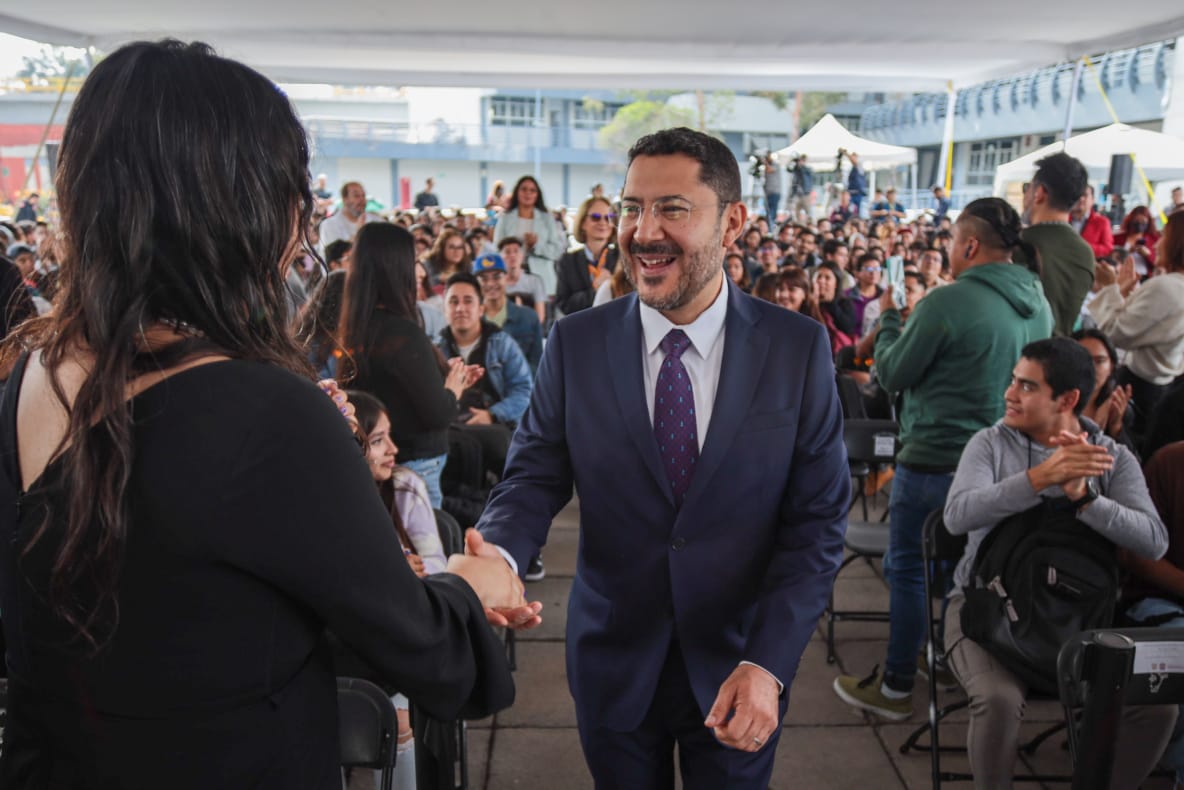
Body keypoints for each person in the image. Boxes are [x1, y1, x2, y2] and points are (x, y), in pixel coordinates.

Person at [0, 40, 533, 790]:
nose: (301, 226)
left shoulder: (31, 375)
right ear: (232, 207)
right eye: (291, 190)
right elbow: (428, 653)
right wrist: (473, 585)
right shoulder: (262, 413)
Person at [471, 127, 849, 788]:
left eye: (672, 208)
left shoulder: (796, 350)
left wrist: (769, 664)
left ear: (733, 223)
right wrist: (499, 556)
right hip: (613, 663)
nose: (643, 231)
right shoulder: (575, 344)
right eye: (631, 207)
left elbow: (818, 523)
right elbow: (533, 474)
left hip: (742, 668)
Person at [834, 197, 1054, 719]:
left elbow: (889, 374)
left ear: (970, 244)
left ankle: (895, 685)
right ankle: (944, 654)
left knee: (908, 567)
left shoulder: (948, 303)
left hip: (936, 459)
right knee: (969, 569)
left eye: (953, 242)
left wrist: (889, 319)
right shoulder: (1038, 303)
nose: (949, 251)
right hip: (1006, 463)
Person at [942, 338, 1174, 789]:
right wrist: (1038, 478)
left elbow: (1153, 542)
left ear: (1066, 399)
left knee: (1157, 703)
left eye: (1027, 386)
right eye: (1013, 381)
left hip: (1078, 618)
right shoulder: (989, 444)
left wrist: (1087, 499)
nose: (1010, 394)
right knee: (997, 699)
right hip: (989, 611)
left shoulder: (1110, 457)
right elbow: (956, 517)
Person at [339, 222, 481, 509]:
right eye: (413, 261)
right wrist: (453, 386)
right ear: (395, 268)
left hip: (386, 458)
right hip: (417, 462)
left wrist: (449, 378)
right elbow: (439, 413)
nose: (419, 271)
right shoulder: (402, 333)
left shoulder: (357, 326)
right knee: (426, 548)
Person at [1089, 210, 1184, 437]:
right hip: (1162, 390)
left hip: (1138, 389)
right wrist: (1120, 292)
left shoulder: (1166, 287)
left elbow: (1114, 333)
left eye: (1164, 237)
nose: (1157, 244)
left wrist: (1110, 287)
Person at [436, 272, 533, 486]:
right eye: (453, 302)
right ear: (445, 310)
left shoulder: (502, 344)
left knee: (499, 444)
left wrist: (492, 415)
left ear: (481, 309)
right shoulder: (435, 349)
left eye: (468, 301)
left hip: (496, 426)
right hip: (451, 427)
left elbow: (524, 391)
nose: (460, 308)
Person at [1018, 152, 1093, 336]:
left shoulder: (1020, 244)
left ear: (1040, 192)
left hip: (1021, 357)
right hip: (1058, 355)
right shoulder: (1085, 252)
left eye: (1028, 187)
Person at [493, 176, 566, 298]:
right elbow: (497, 248)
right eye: (524, 189)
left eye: (532, 190)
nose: (528, 193)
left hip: (543, 279)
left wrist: (536, 246)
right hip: (511, 278)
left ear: (537, 195)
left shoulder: (547, 218)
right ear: (517, 192)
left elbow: (557, 250)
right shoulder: (505, 217)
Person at [474, 253, 543, 373]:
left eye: (496, 277)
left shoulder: (529, 317)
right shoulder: (472, 321)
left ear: (506, 278)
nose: (490, 283)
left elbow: (538, 366)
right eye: (484, 279)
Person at [555, 196, 619, 316]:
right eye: (596, 217)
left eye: (608, 218)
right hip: (581, 328)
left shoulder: (622, 259)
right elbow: (565, 305)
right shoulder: (567, 261)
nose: (603, 222)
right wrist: (595, 290)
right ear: (583, 223)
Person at [498, 235, 548, 324]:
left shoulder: (535, 281)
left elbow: (540, 317)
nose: (512, 255)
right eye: (507, 252)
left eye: (516, 251)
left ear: (522, 256)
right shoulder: (496, 283)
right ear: (500, 257)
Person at [319, 180, 382, 246]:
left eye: (363, 195)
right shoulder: (329, 225)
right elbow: (334, 253)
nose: (362, 199)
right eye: (356, 196)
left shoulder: (377, 221)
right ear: (344, 199)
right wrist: (359, 233)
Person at [1114, 206, 1162, 276]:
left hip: (1144, 277)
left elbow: (1159, 264)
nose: (1139, 223)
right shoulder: (1118, 238)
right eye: (1136, 220)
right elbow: (1112, 257)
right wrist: (1126, 252)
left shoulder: (1154, 239)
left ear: (1148, 222)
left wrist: (1148, 255)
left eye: (1143, 221)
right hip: (1122, 275)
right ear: (1131, 220)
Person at [1073, 184, 1113, 259]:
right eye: (1078, 195)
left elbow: (1107, 249)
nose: (1081, 198)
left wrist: (1082, 247)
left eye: (1085, 195)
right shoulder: (1063, 219)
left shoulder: (1102, 222)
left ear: (1092, 200)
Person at [788, 154, 814, 221]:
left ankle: (810, 224)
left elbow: (803, 172)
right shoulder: (796, 169)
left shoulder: (807, 169)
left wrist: (800, 165)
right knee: (796, 213)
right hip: (797, 194)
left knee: (809, 212)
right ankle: (799, 226)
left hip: (805, 194)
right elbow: (788, 169)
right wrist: (792, 162)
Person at [762, 153, 782, 221]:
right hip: (768, 193)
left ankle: (771, 226)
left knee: (772, 212)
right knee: (768, 212)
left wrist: (765, 163)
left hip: (774, 192)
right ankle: (769, 225)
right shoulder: (765, 167)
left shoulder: (776, 164)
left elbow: (770, 169)